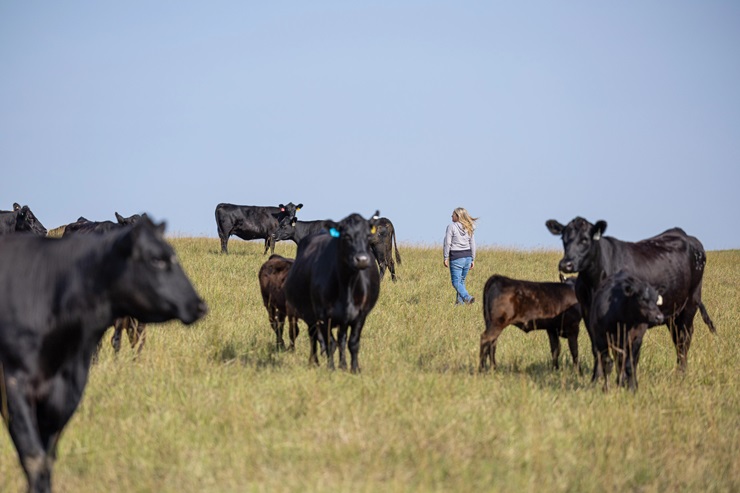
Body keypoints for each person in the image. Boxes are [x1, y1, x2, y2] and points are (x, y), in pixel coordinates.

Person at [443, 207, 478, 305]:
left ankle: (467, 297)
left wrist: (445, 257)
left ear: (457, 216)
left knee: (456, 282)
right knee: (461, 281)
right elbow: (473, 244)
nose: (451, 216)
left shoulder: (451, 227)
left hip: (456, 256)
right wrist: (473, 259)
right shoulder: (469, 227)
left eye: (453, 215)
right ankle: (459, 304)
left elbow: (447, 243)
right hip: (467, 257)